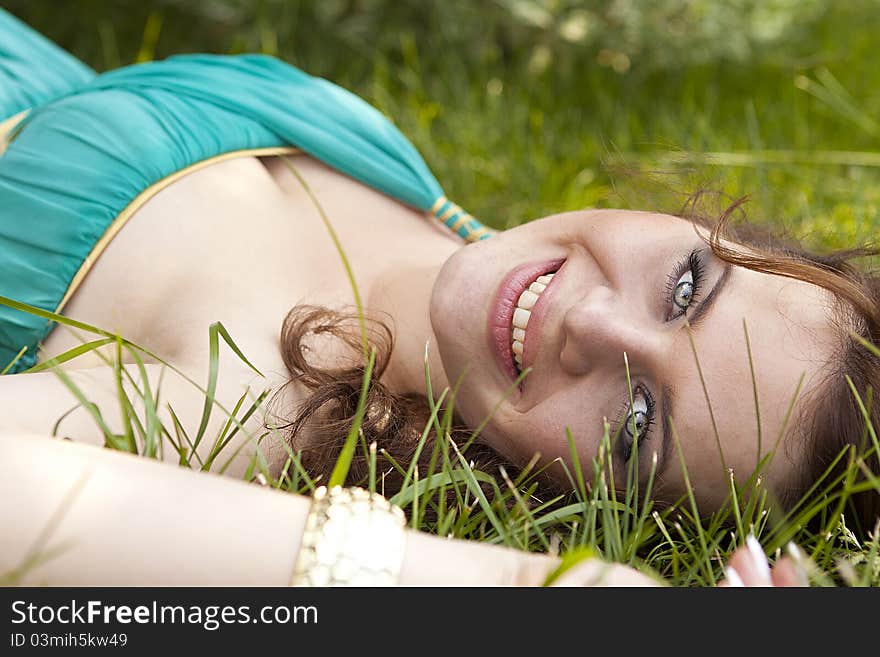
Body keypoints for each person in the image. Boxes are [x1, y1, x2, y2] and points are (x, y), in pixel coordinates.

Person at [0, 9, 861, 586]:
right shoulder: (468, 246)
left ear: (581, 495)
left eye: (637, 420)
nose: (590, 321)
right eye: (684, 288)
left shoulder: (247, 399)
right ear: (721, 232)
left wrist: (552, 588)